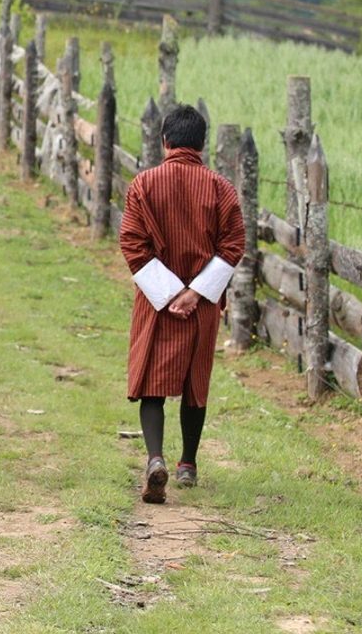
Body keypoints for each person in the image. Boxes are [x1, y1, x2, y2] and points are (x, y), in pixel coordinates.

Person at [118, 104, 245, 503]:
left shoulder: (144, 184)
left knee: (152, 384)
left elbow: (132, 243)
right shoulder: (221, 189)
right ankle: (188, 463)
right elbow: (233, 244)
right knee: (195, 383)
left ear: (165, 141)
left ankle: (155, 458)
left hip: (157, 302)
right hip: (201, 305)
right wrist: (194, 292)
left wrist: (170, 292)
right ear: (202, 145)